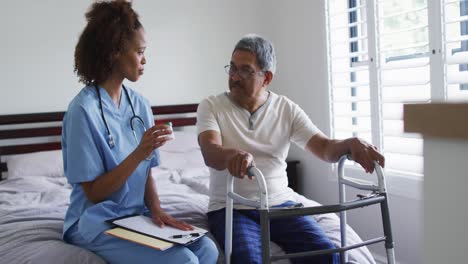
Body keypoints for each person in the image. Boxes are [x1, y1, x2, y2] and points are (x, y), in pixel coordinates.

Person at [197, 34, 385, 264]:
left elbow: (324, 147)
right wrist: (232, 155)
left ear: (266, 78)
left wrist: (350, 143)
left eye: (245, 71)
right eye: (232, 68)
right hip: (232, 207)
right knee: (248, 260)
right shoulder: (212, 106)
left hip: (279, 204)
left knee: (327, 256)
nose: (234, 77)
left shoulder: (286, 108)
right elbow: (210, 150)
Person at [62, 1, 218, 263]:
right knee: (185, 261)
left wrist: (156, 210)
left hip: (134, 218)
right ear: (114, 52)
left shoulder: (140, 105)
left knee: (208, 250)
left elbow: (146, 174)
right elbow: (94, 193)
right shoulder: (82, 112)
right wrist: (139, 152)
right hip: (94, 222)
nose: (145, 60)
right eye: (139, 51)